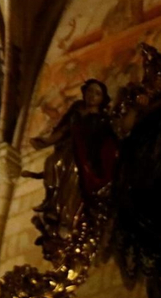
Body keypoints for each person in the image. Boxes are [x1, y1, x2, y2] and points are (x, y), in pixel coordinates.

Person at [30, 79, 119, 239]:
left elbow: (108, 143)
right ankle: (50, 201)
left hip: (85, 156)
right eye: (90, 91)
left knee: (74, 178)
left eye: (97, 94)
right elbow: (64, 129)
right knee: (52, 163)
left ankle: (66, 217)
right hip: (68, 149)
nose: (92, 96)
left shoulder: (101, 119)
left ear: (102, 99)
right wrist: (46, 142)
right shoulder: (76, 110)